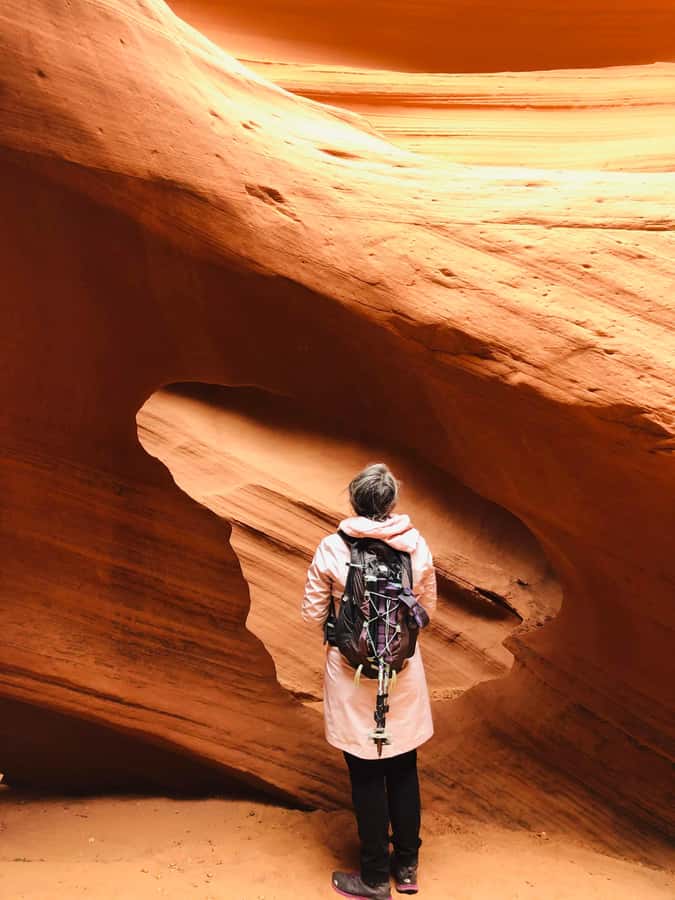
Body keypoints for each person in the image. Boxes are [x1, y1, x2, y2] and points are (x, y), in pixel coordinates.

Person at [302, 463, 437, 899]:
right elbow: (425, 609)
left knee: (364, 771)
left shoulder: (332, 547)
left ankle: (376, 877)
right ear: (391, 503)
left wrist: (340, 628)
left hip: (351, 673)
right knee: (403, 767)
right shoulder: (416, 548)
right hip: (402, 673)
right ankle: (408, 869)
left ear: (355, 501)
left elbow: (311, 612)